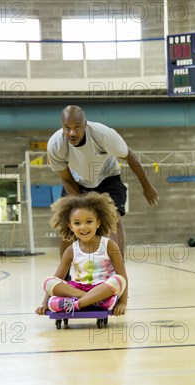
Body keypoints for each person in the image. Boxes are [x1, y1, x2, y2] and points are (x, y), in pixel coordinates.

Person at [47, 105, 159, 259]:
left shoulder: (103, 135)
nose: (72, 132)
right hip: (77, 182)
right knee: (69, 222)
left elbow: (130, 157)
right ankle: (64, 274)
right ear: (62, 127)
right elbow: (66, 178)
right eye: (67, 128)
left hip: (108, 178)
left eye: (77, 127)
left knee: (114, 218)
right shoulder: (55, 145)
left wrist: (147, 186)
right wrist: (81, 201)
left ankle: (117, 270)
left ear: (85, 124)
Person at [35, 192, 128, 317]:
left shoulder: (109, 245)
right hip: (79, 289)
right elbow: (58, 278)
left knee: (119, 280)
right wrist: (45, 303)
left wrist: (122, 303)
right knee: (48, 282)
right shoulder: (71, 250)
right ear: (71, 226)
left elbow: (122, 276)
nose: (83, 227)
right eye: (77, 223)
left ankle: (75, 305)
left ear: (98, 223)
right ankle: (93, 301)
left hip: (102, 289)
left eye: (89, 221)